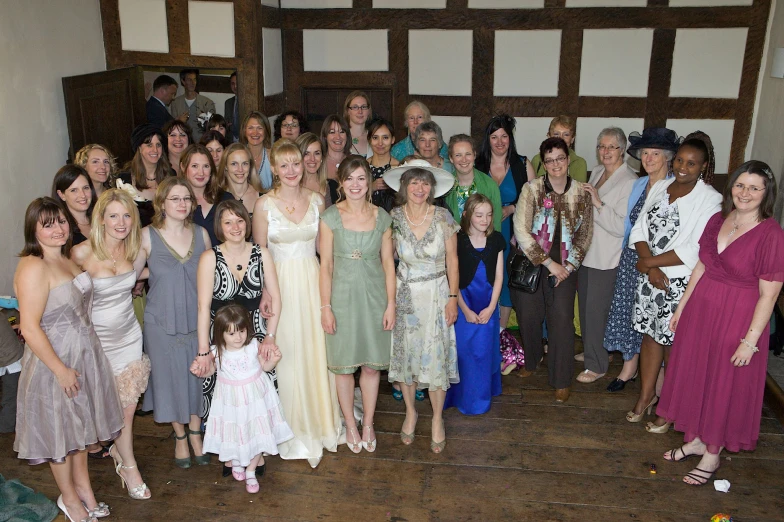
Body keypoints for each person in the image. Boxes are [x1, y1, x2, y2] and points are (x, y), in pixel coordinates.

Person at [655, 160, 784, 486]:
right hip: (702, 311)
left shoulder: (771, 234)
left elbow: (769, 295)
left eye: (755, 187)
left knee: (723, 383)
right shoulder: (717, 219)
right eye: (741, 185)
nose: (746, 192)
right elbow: (701, 266)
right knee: (700, 375)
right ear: (732, 187)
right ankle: (697, 439)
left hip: (738, 316)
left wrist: (750, 340)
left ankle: (712, 455)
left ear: (766, 194)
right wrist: (682, 308)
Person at [14, 197, 123, 522]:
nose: (58, 229)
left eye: (61, 221)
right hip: (55, 362)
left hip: (85, 355)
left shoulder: (66, 259)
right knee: (61, 434)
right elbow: (30, 328)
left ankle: (85, 491)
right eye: (47, 224)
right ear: (33, 230)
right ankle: (69, 499)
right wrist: (60, 370)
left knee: (81, 432)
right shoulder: (33, 266)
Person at [252, 140, 341, 468]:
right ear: (274, 168)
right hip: (280, 287)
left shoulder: (317, 200)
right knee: (287, 353)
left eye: (296, 163)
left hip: (312, 281)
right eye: (284, 165)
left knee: (316, 350)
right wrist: (265, 292)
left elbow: (325, 252)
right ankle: (290, 426)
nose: (291, 170)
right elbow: (259, 253)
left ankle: (321, 422)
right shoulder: (263, 205)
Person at [626, 133, 722, 427]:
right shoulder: (662, 186)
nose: (683, 167)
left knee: (672, 343)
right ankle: (645, 396)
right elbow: (639, 228)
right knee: (650, 337)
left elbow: (694, 248)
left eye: (691, 163)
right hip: (650, 280)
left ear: (703, 167)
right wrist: (650, 269)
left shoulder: (710, 199)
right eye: (680, 160)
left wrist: (650, 264)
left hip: (677, 284)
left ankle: (668, 405)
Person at [71, 189, 152, 500]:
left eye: (127, 215)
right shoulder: (81, 254)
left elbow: (144, 271)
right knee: (110, 408)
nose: (121, 222)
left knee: (128, 408)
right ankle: (121, 456)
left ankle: (127, 463)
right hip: (98, 343)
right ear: (101, 219)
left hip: (129, 336)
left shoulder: (133, 251)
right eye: (114, 215)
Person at [193, 199, 282, 477]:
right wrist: (204, 350)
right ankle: (229, 453)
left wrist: (270, 337)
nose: (235, 226)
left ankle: (259, 450)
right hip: (220, 337)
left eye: (240, 220)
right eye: (228, 221)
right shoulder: (210, 257)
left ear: (248, 222)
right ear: (219, 226)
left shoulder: (262, 253)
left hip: (253, 332)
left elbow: (276, 298)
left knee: (258, 394)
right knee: (223, 397)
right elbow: (203, 307)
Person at [319, 155, 396, 453]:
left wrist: (391, 304)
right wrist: (325, 307)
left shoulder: (382, 217)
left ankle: (368, 422)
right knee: (343, 367)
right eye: (349, 178)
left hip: (375, 296)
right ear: (341, 182)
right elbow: (325, 266)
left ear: (369, 182)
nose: (355, 184)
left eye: (361, 178)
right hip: (341, 297)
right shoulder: (329, 218)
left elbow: (389, 264)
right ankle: (349, 423)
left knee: (371, 366)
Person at [383, 162, 458, 453]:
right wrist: (389, 301)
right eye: (413, 183)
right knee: (407, 361)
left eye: (424, 183)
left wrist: (453, 297)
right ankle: (411, 412)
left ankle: (437, 418)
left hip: (438, 295)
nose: (419, 188)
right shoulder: (393, 218)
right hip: (405, 297)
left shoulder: (443, 217)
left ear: (432, 187)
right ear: (404, 186)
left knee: (436, 358)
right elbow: (387, 261)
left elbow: (453, 259)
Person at [511, 137, 593, 403]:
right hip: (534, 262)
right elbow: (521, 230)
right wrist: (549, 263)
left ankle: (561, 379)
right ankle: (532, 361)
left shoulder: (581, 192)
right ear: (543, 164)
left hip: (566, 267)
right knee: (528, 315)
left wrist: (568, 267)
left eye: (560, 158)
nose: (555, 164)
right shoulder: (532, 190)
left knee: (561, 321)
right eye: (549, 160)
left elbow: (585, 236)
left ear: (568, 160)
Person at [139, 177, 212, 468]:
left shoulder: (202, 234)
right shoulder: (146, 235)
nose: (181, 204)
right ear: (162, 203)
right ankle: (180, 436)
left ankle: (196, 433)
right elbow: (128, 271)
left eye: (186, 199)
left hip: (197, 320)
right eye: (175, 199)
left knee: (197, 378)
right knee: (167, 380)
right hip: (160, 321)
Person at [604, 127, 679, 392]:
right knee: (627, 312)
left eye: (655, 153)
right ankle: (629, 367)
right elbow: (629, 225)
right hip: (631, 259)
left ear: (667, 157)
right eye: (645, 153)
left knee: (651, 317)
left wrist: (655, 263)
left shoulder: (674, 188)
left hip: (656, 263)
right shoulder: (638, 184)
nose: (648, 158)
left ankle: (656, 376)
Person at [198, 304, 293, 494]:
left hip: (255, 398)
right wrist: (200, 370)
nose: (239, 337)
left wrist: (273, 359)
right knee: (235, 433)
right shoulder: (216, 351)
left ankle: (251, 470)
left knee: (259, 432)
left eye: (241, 331)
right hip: (231, 402)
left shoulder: (252, 346)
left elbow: (265, 367)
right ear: (221, 334)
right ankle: (236, 462)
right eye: (232, 334)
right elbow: (209, 372)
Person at [575, 128, 637, 383]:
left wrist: (598, 203)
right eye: (601, 146)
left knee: (597, 310)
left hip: (608, 256)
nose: (605, 152)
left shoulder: (630, 180)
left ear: (622, 149)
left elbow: (623, 226)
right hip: (588, 250)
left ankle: (597, 365)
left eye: (611, 147)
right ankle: (595, 350)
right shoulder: (598, 171)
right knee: (587, 308)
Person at [444, 194, 505, 415]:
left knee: (483, 351)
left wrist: (491, 307)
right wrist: (465, 310)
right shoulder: (457, 240)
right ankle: (460, 396)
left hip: (487, 302)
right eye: (479, 215)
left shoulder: (497, 239)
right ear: (467, 215)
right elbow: (453, 277)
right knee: (463, 351)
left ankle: (480, 396)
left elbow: (499, 277)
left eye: (489, 215)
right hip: (464, 301)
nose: (485, 219)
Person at [476, 114, 535, 328]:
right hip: (483, 233)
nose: (500, 142)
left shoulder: (522, 164)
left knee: (508, 281)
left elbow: (534, 203)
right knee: (485, 278)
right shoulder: (477, 166)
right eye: (494, 137)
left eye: (504, 136)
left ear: (511, 138)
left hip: (513, 233)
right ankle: (485, 326)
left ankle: (501, 331)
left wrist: (511, 208)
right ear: (487, 140)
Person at [444, 134, 502, 232]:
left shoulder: (490, 185)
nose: (464, 159)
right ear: (451, 158)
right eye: (458, 155)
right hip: (455, 245)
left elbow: (496, 224)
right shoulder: (445, 188)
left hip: (484, 245)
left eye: (468, 154)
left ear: (474, 155)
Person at [119, 124, 172, 227]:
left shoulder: (170, 176)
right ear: (139, 148)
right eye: (149, 145)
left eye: (158, 145)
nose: (155, 150)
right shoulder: (124, 180)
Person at [179, 144, 232, 247]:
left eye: (206, 166)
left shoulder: (226, 199)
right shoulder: (175, 202)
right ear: (183, 167)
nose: (201, 172)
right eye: (195, 166)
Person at [531, 115, 588, 183]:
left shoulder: (580, 163)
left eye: (566, 134)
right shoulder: (537, 160)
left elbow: (579, 191)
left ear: (572, 139)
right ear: (549, 136)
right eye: (556, 134)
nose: (561, 138)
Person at [52, 165, 96, 246]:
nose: (82, 195)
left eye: (86, 188)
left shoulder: (102, 220)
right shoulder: (61, 230)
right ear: (61, 195)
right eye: (74, 190)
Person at [218, 143, 263, 219]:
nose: (240, 169)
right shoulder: (216, 198)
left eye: (245, 163)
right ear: (225, 166)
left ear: (250, 166)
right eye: (234, 164)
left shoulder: (263, 197)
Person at [170, 68, 216, 142]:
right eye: (189, 79)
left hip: (202, 143)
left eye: (194, 79)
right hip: (181, 143)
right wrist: (178, 121)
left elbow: (213, 126)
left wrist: (204, 120)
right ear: (183, 81)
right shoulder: (175, 103)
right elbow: (171, 126)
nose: (193, 82)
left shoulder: (207, 102)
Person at [366, 118, 400, 212]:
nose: (380, 143)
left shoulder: (399, 168)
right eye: (375, 138)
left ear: (392, 139)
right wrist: (370, 188)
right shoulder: (363, 167)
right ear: (369, 140)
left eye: (385, 138)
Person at [296, 132, 337, 207]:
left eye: (317, 153)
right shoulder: (290, 187)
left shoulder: (334, 187)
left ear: (322, 157)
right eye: (306, 153)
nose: (312, 159)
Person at [0, 308, 22, 434]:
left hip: (11, 361)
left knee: (10, 397)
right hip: (12, 357)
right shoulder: (4, 313)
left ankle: (5, 427)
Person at [240, 111, 273, 191]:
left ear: (266, 131)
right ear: (244, 131)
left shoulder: (272, 155)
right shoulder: (238, 156)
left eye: (260, 128)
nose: (255, 133)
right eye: (250, 128)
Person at [321, 114, 351, 182]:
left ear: (347, 136)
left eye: (342, 132)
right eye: (332, 132)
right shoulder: (317, 163)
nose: (338, 137)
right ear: (325, 136)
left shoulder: (355, 161)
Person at [344, 91, 372, 157]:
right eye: (355, 107)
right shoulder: (341, 137)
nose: (360, 111)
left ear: (368, 111)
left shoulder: (375, 137)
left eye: (364, 107)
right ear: (348, 111)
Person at [225, 71, 239, 142]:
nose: (235, 86)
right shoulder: (228, 103)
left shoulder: (248, 103)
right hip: (231, 141)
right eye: (233, 84)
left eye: (237, 83)